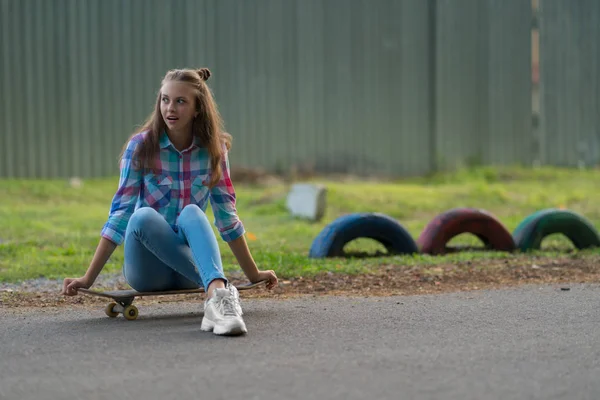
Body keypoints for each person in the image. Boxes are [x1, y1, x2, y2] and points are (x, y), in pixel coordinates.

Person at [61, 67, 278, 336]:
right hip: (147, 271)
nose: (170, 108)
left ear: (198, 108)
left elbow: (226, 216)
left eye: (180, 101)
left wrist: (254, 274)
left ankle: (217, 301)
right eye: (165, 100)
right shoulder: (140, 147)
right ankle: (219, 291)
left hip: (189, 270)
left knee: (192, 213)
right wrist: (88, 279)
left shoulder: (214, 150)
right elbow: (120, 215)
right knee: (142, 216)